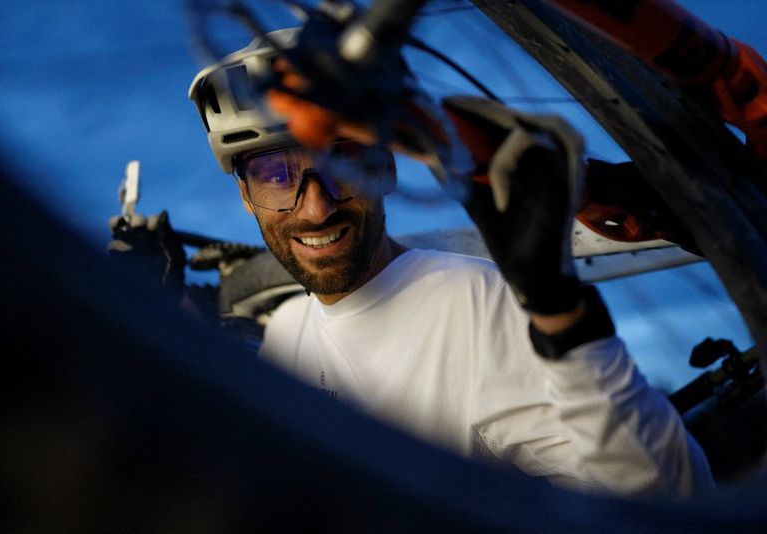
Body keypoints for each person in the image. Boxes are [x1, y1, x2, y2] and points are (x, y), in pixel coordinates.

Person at [181, 29, 715, 497]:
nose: (317, 208)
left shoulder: (483, 305)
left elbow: (658, 501)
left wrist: (562, 315)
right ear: (246, 196)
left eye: (344, 163)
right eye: (276, 177)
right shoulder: (286, 332)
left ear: (386, 168)